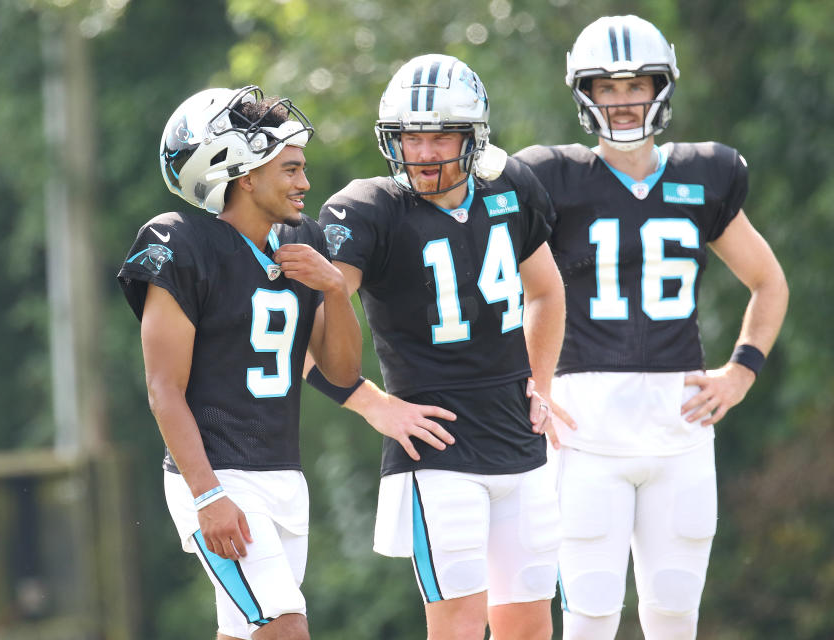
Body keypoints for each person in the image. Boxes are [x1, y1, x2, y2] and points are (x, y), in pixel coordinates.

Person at [512, 15, 789, 639]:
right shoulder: (551, 178)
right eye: (606, 88)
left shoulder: (706, 172)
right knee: (590, 608)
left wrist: (742, 372)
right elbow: (508, 288)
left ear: (662, 86)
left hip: (679, 421)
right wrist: (535, 381)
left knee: (674, 611)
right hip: (584, 424)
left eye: (636, 83)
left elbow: (769, 283)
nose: (623, 100)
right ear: (584, 95)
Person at [313, 54, 566, 640]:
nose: (423, 152)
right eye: (410, 137)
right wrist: (371, 403)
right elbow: (309, 334)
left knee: (529, 627)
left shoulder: (512, 186)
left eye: (439, 136)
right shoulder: (369, 209)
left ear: (473, 137)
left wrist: (541, 385)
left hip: (519, 439)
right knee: (456, 626)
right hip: (439, 446)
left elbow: (548, 294)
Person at [117, 86, 361, 640]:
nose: (304, 183)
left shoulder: (307, 242)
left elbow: (342, 373)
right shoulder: (181, 244)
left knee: (245, 633)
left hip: (283, 472)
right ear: (245, 174)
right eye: (291, 169)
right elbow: (164, 391)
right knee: (285, 628)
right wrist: (207, 495)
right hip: (217, 473)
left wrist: (337, 292)